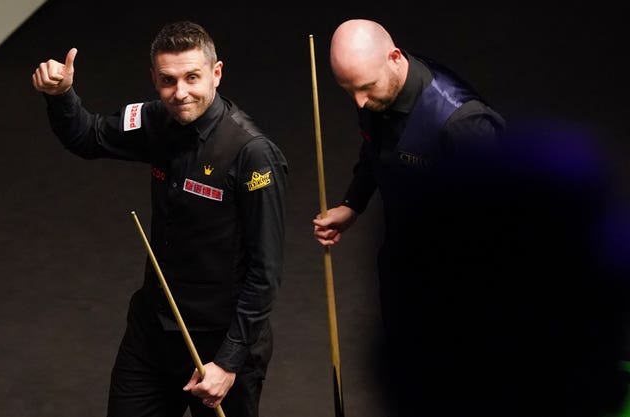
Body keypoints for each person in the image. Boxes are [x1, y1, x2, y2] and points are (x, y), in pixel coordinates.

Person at [314, 19, 630, 417]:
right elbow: (373, 151)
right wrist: (351, 206)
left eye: (364, 88)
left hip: (459, 290)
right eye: (349, 90)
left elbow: (504, 234)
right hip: (406, 266)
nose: (358, 102)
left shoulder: (462, 121)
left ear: (395, 59)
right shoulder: (376, 91)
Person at [32, 20, 288, 417]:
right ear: (154, 78)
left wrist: (229, 362)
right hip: (153, 330)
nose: (180, 93)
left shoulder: (252, 154)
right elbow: (89, 136)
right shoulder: (154, 119)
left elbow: (265, 272)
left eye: (192, 77)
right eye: (168, 80)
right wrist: (62, 95)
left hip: (219, 343)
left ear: (216, 73)